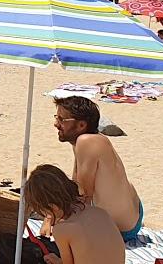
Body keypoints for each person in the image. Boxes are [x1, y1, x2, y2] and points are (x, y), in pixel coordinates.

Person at [25, 165, 131, 264]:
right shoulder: (99, 212)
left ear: (52, 207)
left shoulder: (63, 229)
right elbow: (92, 261)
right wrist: (59, 261)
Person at [53, 96, 144, 242]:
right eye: (57, 118)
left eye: (62, 120)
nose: (56, 124)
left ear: (81, 125)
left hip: (122, 228)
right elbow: (75, 185)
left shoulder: (86, 142)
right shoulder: (91, 139)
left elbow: (84, 196)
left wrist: (57, 222)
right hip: (133, 213)